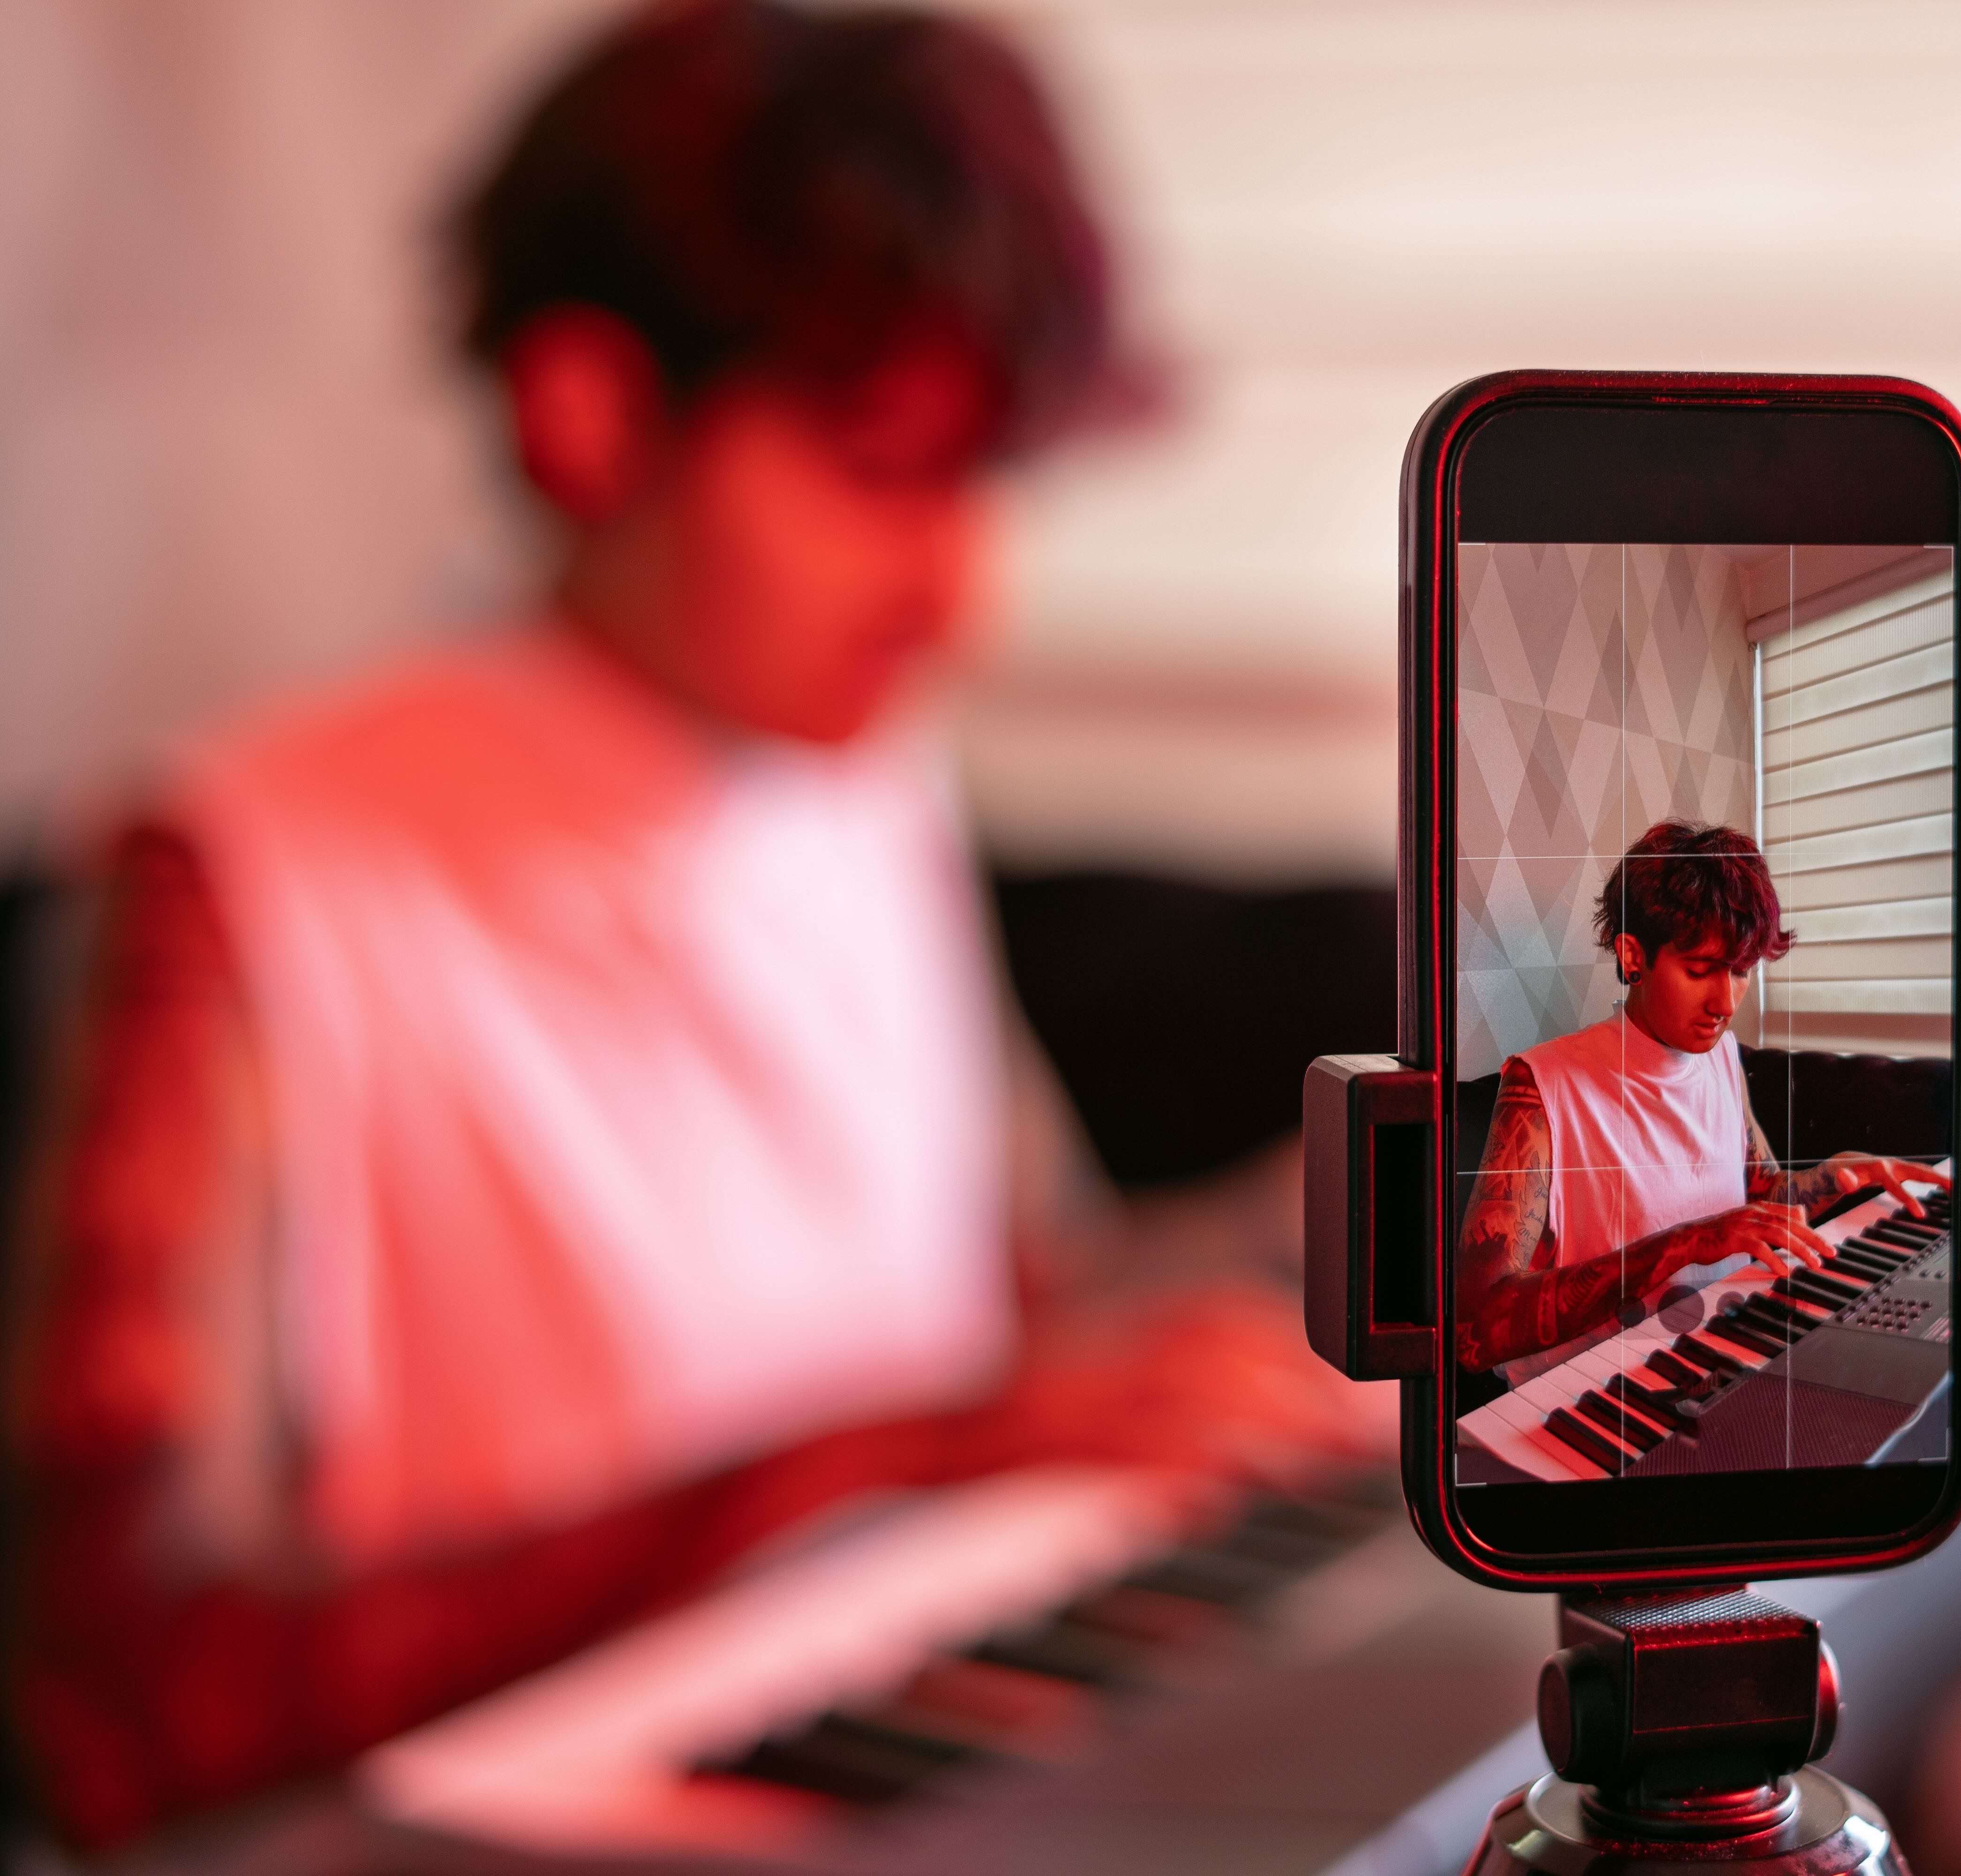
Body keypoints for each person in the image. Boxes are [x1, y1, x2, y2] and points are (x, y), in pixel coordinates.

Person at [5, 2, 1371, 1849]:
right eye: (882, 468)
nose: (963, 590)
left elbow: (1006, 1309)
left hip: (926, 1769)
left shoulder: (862, 776)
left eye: (992, 479)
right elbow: (124, 1718)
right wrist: (879, 1459)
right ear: (589, 411)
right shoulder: (230, 885)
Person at [1454, 820, 1939, 1377]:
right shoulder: (1541, 1087)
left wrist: (1835, 1177)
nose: (1726, 1001)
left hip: (1720, 1363)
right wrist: (1686, 1243)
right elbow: (1476, 1329)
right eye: (1701, 970)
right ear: (1633, 956)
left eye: (1742, 971)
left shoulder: (1721, 1057)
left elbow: (1758, 1199)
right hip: (1592, 1406)